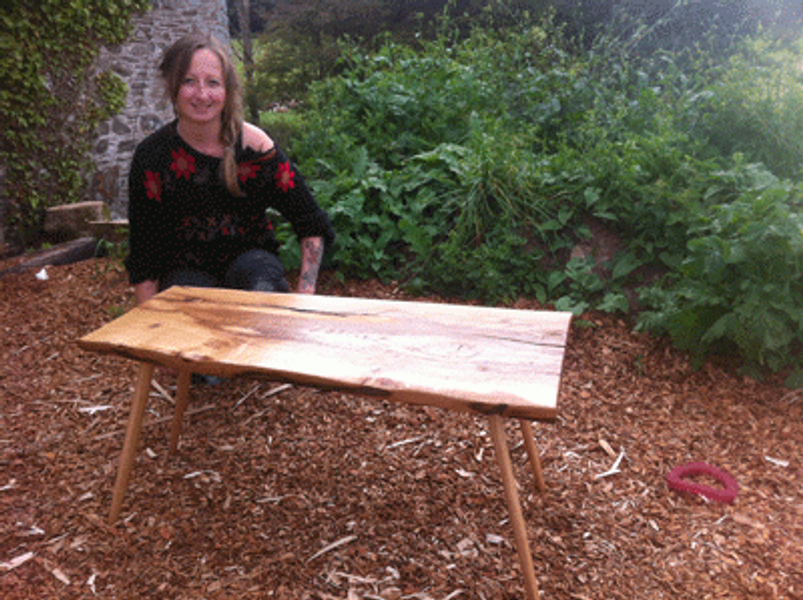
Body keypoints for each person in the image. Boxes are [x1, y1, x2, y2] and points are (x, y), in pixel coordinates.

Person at [124, 33, 334, 306]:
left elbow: (311, 223)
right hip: (186, 273)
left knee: (259, 284)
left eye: (213, 83)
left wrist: (305, 299)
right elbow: (145, 251)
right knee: (190, 308)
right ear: (172, 85)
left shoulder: (256, 149)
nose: (202, 94)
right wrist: (150, 326)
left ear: (227, 90)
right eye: (189, 81)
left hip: (253, 264)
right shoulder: (153, 157)